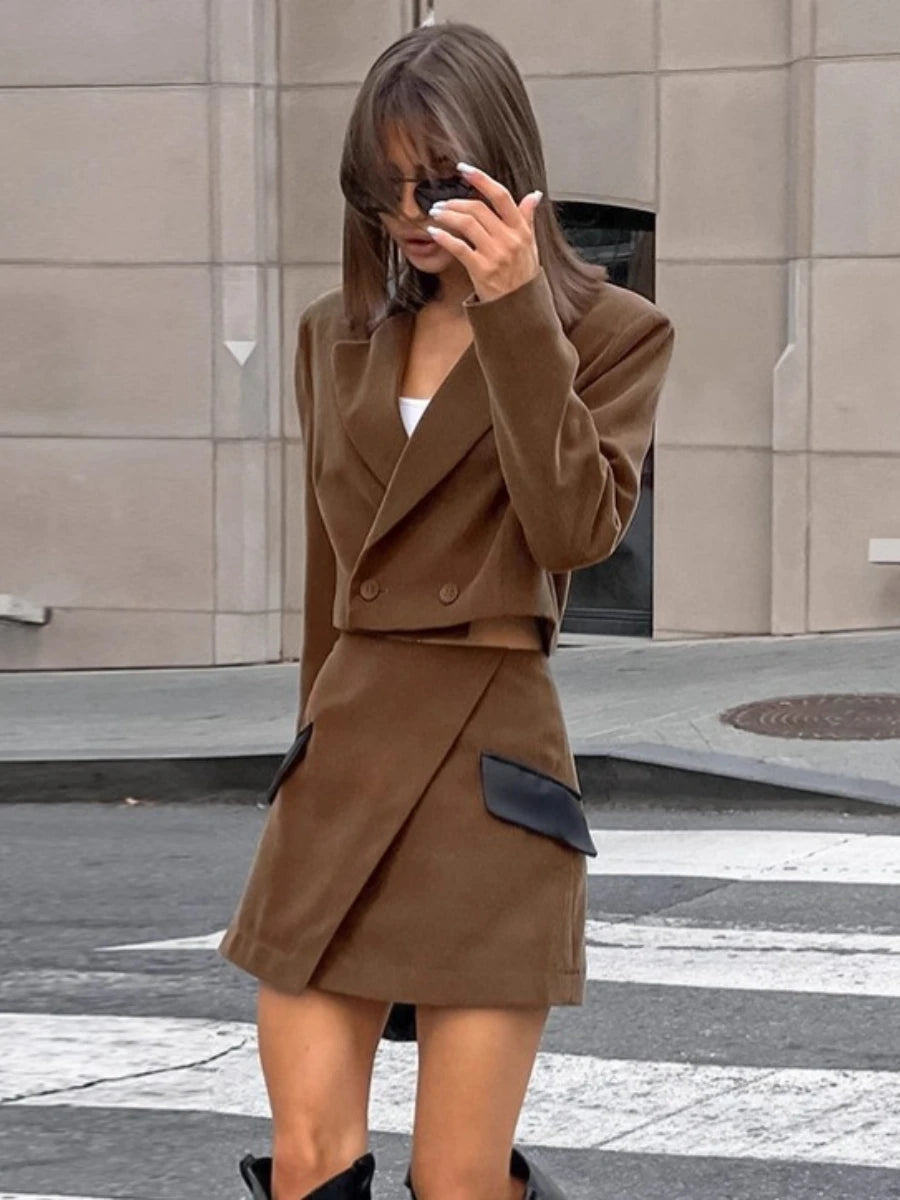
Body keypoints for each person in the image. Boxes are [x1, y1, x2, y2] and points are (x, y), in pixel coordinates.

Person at [218, 19, 674, 1200]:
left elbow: (575, 530)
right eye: (381, 189)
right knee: (309, 1160)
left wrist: (515, 311)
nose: (407, 214)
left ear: (502, 170)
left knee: (459, 1179)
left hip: (489, 772)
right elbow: (331, 581)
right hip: (344, 767)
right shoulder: (335, 335)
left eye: (434, 181)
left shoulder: (611, 334)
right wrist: (309, 747)